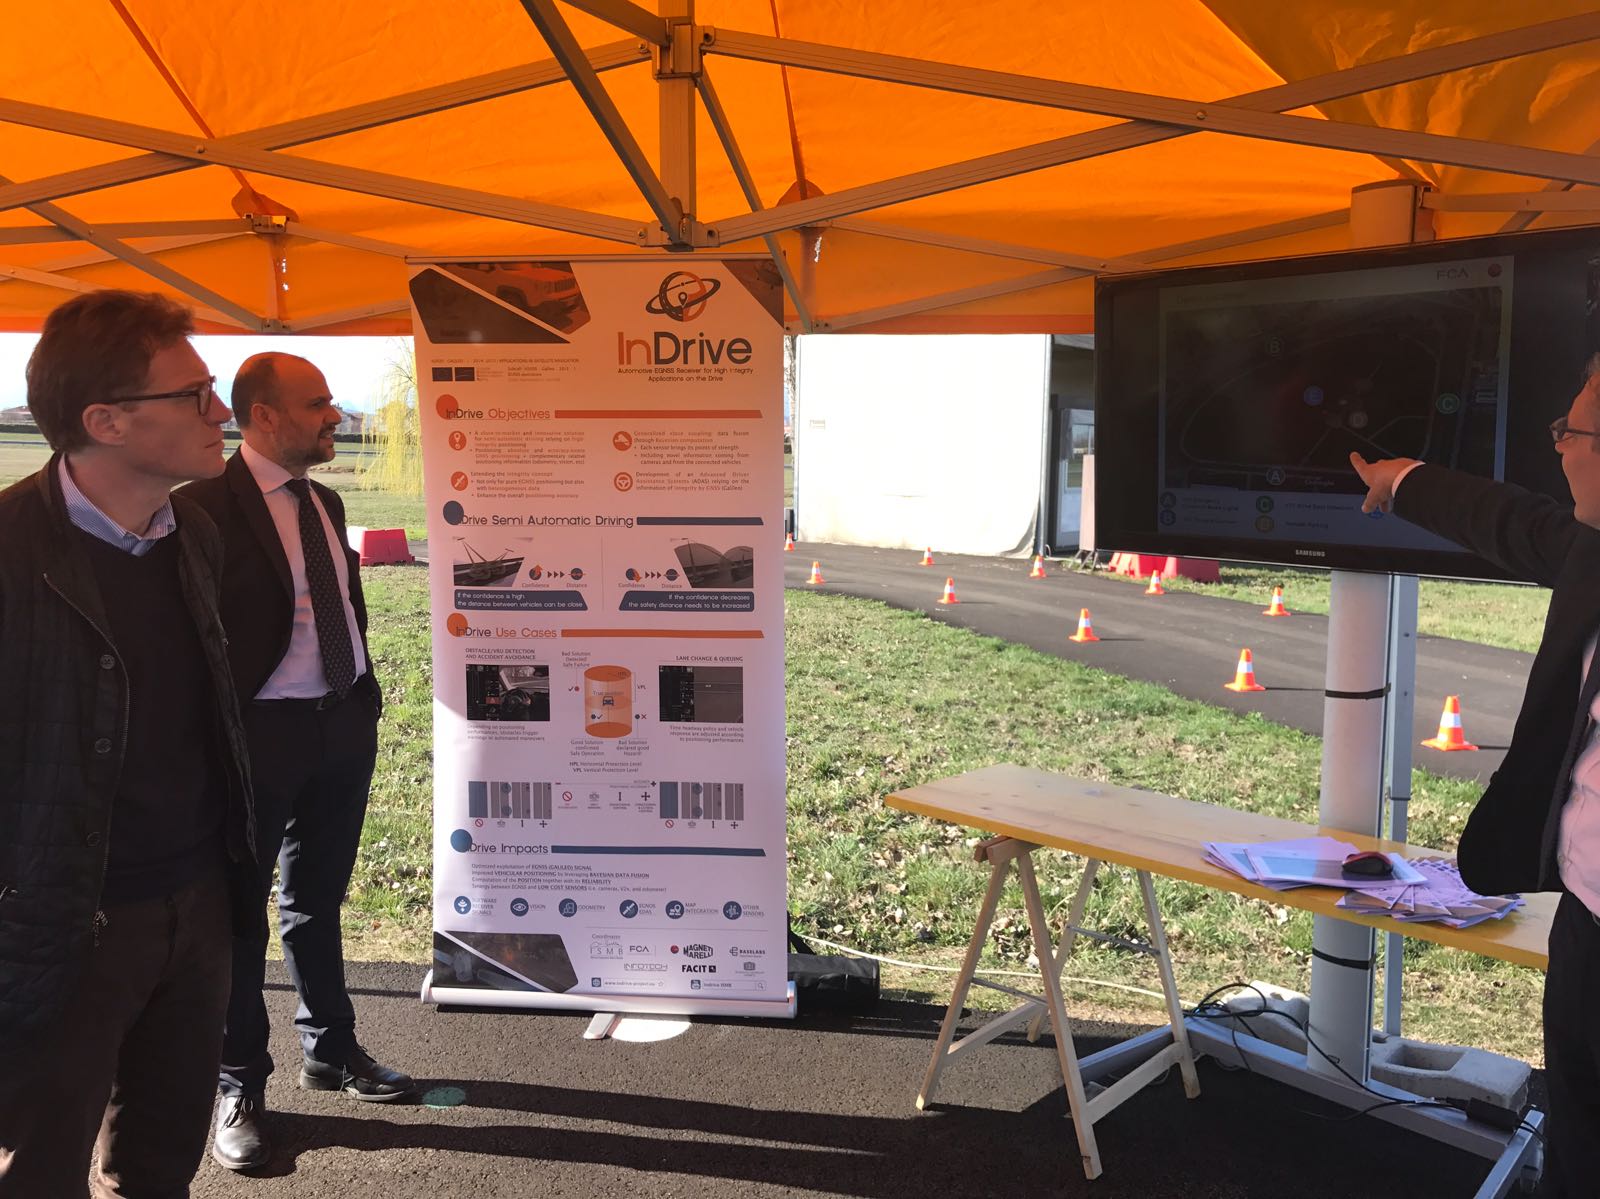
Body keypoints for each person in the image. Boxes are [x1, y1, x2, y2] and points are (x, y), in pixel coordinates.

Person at [0, 290, 261, 1195]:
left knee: (159, 1165)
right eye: (194, 394)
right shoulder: (7, 551)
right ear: (105, 421)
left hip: (197, 905)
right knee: (38, 1170)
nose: (220, 411)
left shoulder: (196, 535)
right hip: (58, 925)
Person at [1351, 351, 1600, 1199]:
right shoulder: (1593, 550)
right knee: (1577, 1153)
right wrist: (1401, 481)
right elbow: (1511, 519)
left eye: (1571, 431)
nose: (1557, 446)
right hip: (1587, 932)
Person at [179, 352, 413, 1173]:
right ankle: (239, 1082)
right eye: (317, 403)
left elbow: (339, 605)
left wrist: (362, 700)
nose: (335, 415)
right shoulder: (200, 508)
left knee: (317, 900)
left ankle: (332, 1049)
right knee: (240, 915)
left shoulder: (326, 500)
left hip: (340, 726)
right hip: (257, 738)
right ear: (265, 416)